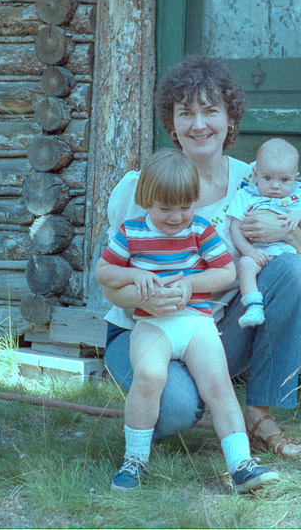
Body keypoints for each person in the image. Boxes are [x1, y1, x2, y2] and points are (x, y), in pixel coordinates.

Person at [101, 55, 301, 462]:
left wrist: (285, 231)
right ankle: (168, 396)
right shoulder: (141, 185)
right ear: (172, 123)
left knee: (293, 269)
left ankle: (258, 412)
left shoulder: (256, 180)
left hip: (216, 332)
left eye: (210, 111)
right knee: (176, 412)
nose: (199, 124)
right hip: (143, 328)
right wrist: (141, 297)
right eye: (186, 113)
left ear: (230, 119)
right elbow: (109, 283)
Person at [95, 149, 278, 493]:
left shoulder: (201, 229)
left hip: (196, 322)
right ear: (147, 200)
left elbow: (225, 270)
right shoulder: (131, 232)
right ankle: (134, 460)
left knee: (218, 386)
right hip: (151, 325)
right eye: (166, 208)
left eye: (185, 206)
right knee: (149, 376)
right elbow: (103, 271)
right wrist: (134, 275)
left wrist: (191, 283)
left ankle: (241, 465)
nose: (177, 217)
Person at [226, 138, 301, 335]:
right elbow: (235, 228)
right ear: (255, 175)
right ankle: (253, 306)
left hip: (287, 253)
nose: (275, 186)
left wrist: (299, 216)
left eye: (284, 180)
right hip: (261, 253)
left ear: (294, 178)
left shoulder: (297, 198)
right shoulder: (246, 196)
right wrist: (249, 251)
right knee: (246, 265)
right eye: (267, 178)